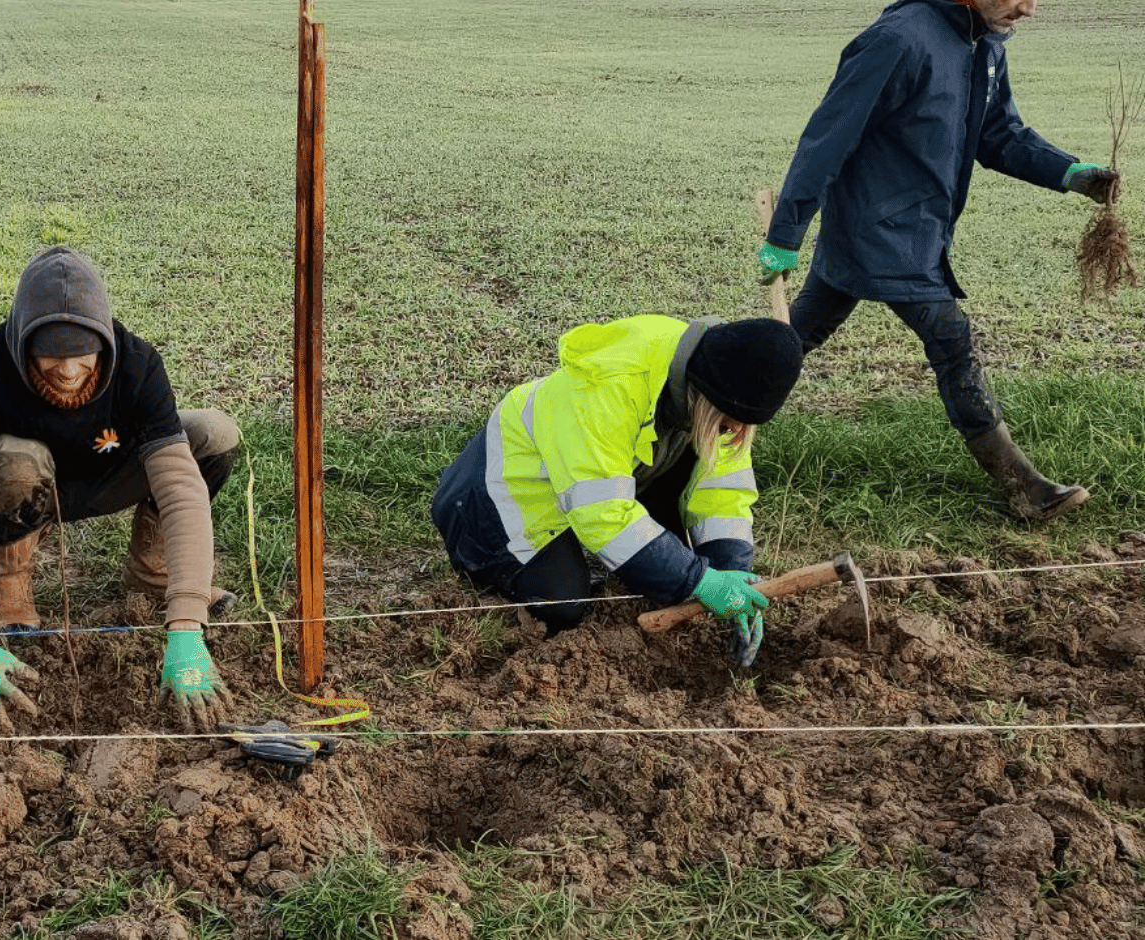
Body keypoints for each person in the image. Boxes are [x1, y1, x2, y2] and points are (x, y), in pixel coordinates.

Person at [757, 0, 1119, 522]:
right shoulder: (898, 39)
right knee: (953, 343)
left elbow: (999, 134)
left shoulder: (984, 41)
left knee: (790, 339)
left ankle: (691, 415)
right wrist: (786, 231)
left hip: (920, 232)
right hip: (881, 233)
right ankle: (1025, 488)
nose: (1030, 9)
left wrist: (1071, 174)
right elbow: (829, 136)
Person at [0, 246, 239, 732]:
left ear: (104, 338)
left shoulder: (137, 364)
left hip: (110, 475)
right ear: (21, 342)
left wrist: (187, 623)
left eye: (81, 354)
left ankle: (153, 576)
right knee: (18, 458)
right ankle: (9, 597)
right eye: (49, 355)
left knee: (212, 433)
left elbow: (182, 489)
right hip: (24, 486)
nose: (67, 370)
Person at [431, 315, 805, 667]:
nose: (735, 433)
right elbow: (602, 512)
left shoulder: (719, 382)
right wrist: (698, 580)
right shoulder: (610, 383)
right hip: (510, 484)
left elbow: (723, 494)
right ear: (709, 400)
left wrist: (732, 577)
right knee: (564, 606)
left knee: (661, 577)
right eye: (728, 423)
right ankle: (480, 545)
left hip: (589, 478)